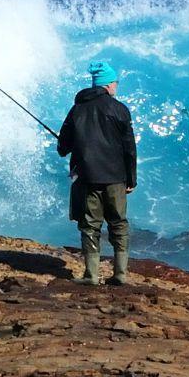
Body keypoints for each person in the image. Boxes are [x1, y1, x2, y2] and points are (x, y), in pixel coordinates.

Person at [57, 60, 136, 285]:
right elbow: (130, 148)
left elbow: (63, 147)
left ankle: (91, 275)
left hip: (88, 178)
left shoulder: (77, 109)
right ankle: (120, 275)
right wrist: (131, 179)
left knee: (90, 226)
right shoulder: (119, 109)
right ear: (108, 85)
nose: (116, 87)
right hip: (116, 178)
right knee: (118, 223)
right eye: (115, 83)